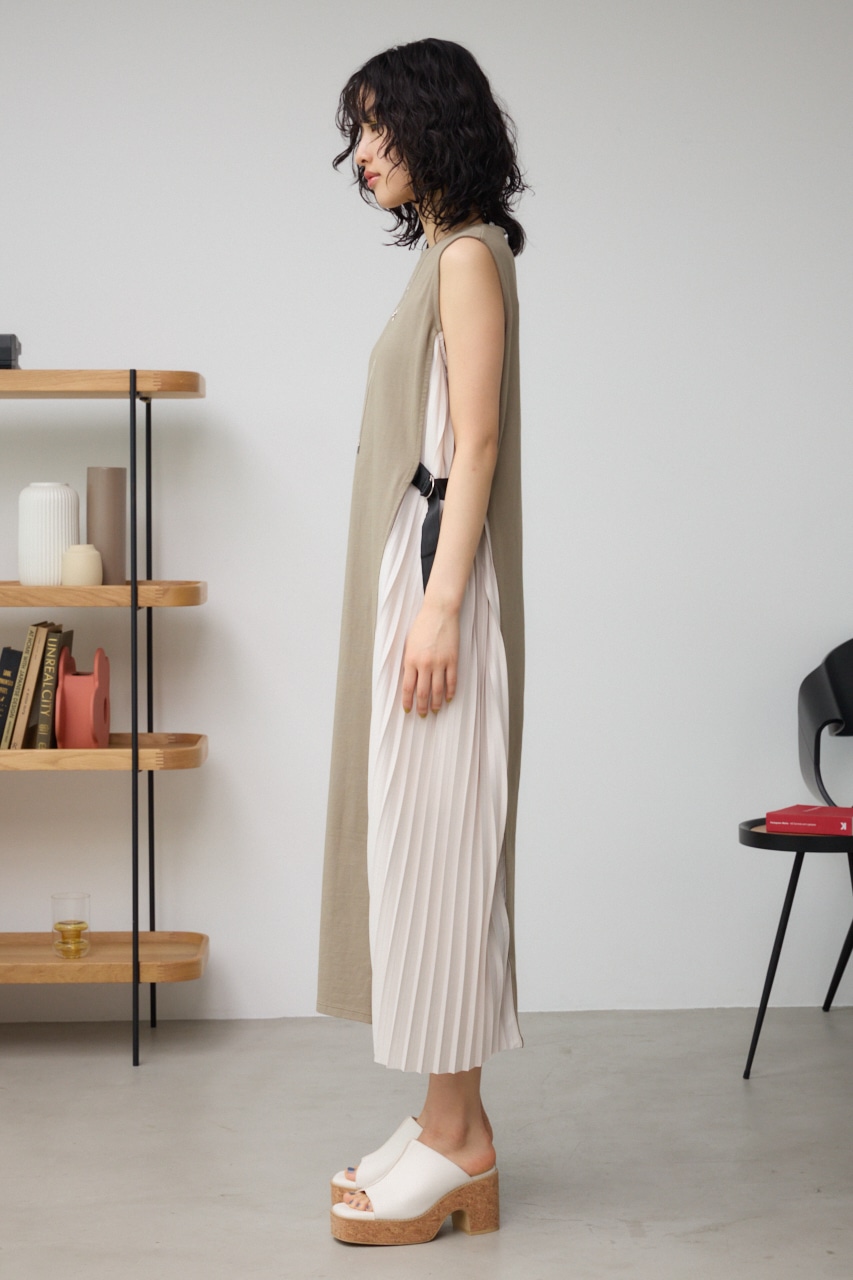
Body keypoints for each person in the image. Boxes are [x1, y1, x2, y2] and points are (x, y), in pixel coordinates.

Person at [317, 37, 527, 1246]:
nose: (361, 153)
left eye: (377, 126)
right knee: (420, 847)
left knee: (441, 847)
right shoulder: (448, 253)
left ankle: (460, 1145)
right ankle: (450, 1117)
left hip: (442, 578)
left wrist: (440, 605)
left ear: (433, 123)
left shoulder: (465, 258)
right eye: (354, 130)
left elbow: (476, 444)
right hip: (424, 570)